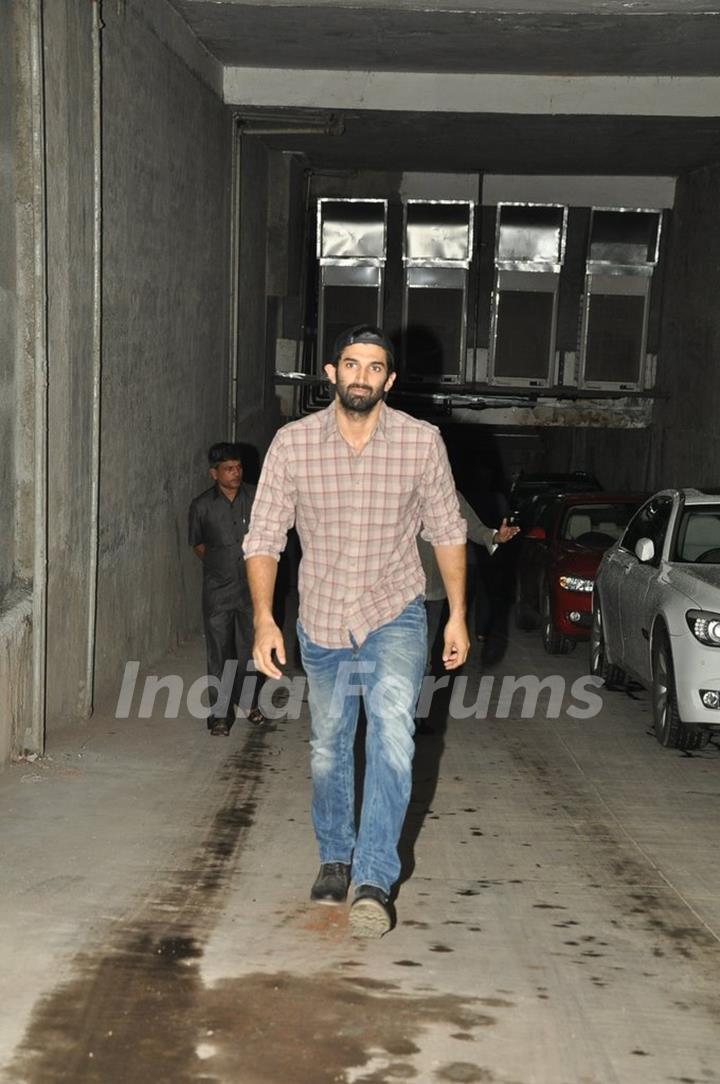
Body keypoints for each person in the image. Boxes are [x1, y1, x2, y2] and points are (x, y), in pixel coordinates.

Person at [243, 324, 469, 938]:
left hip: (395, 612)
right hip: (320, 616)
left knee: (393, 735)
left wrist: (456, 613)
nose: (361, 376)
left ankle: (373, 876)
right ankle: (335, 857)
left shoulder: (422, 443)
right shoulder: (292, 445)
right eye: (351, 364)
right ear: (330, 372)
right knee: (328, 746)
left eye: (374, 368)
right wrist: (264, 618)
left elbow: (447, 531)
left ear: (389, 380)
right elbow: (264, 537)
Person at [416, 491, 519, 733]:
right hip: (395, 593)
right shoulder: (387, 482)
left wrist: (495, 537)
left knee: (422, 659)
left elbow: (470, 525)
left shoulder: (442, 487)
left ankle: (413, 716)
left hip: (433, 591)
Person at [188, 443, 265, 736]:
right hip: (218, 591)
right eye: (228, 469)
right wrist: (221, 565)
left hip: (252, 589)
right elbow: (198, 544)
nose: (235, 473)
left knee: (249, 650)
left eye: (239, 468)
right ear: (214, 473)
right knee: (219, 652)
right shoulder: (201, 506)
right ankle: (220, 715)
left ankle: (249, 702)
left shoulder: (257, 497)